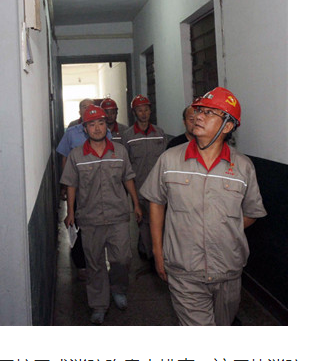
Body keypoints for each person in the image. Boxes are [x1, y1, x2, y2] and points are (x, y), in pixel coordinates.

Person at [140, 87, 267, 326]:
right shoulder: (170, 159)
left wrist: (221, 227)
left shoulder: (243, 167)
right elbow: (156, 202)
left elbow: (251, 213)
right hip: (184, 268)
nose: (198, 116)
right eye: (199, 111)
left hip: (228, 269)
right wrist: (158, 251)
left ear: (228, 126)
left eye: (209, 113)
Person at [61, 104, 142, 324]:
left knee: (122, 258)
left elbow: (128, 178)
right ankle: (98, 304)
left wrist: (136, 204)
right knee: (94, 262)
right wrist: (70, 212)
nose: (97, 128)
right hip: (90, 218)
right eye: (91, 124)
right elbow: (71, 184)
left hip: (117, 215)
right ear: (85, 128)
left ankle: (118, 289)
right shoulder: (76, 155)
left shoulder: (120, 151)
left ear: (107, 126)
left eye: (101, 123)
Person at [121, 95, 167, 261]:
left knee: (159, 223)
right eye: (140, 110)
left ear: (150, 111)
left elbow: (165, 162)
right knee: (145, 224)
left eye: (146, 110)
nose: (143, 113)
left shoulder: (159, 134)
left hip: (159, 189)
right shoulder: (128, 136)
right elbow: (126, 165)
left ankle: (153, 253)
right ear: (134, 112)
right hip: (139, 189)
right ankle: (152, 258)